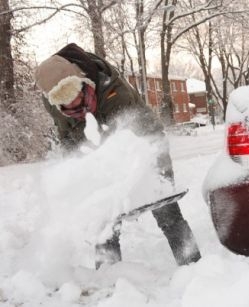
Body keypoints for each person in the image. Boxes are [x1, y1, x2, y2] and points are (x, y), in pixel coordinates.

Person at [34, 43, 201, 266]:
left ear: (82, 80)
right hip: (103, 157)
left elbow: (132, 139)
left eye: (73, 92)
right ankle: (109, 276)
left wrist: (146, 180)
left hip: (146, 143)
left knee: (165, 208)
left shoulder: (113, 91)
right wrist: (79, 176)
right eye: (63, 100)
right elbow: (69, 141)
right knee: (103, 219)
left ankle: (193, 264)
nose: (72, 102)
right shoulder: (56, 106)